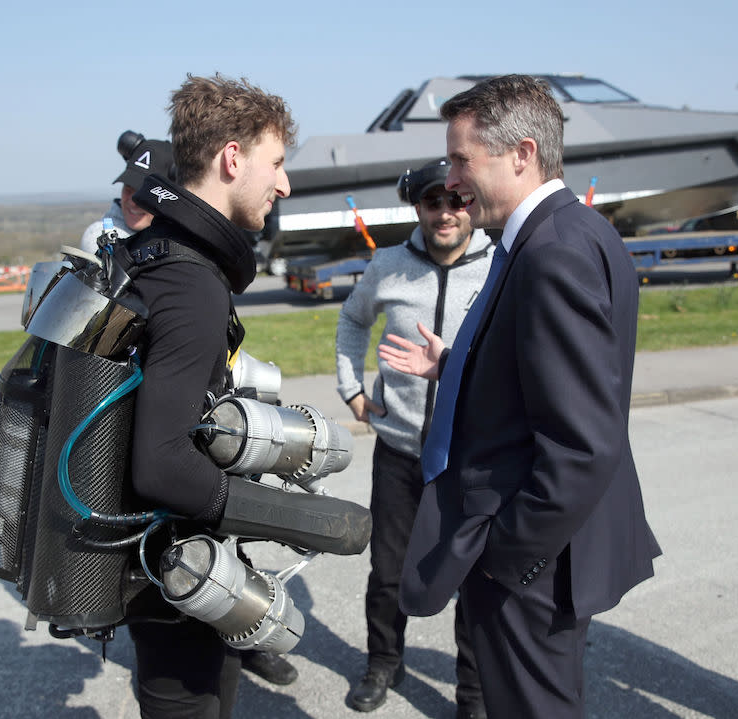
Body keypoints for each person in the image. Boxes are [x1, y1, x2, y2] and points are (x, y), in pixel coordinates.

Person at [377, 74, 662, 719]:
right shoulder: (570, 232)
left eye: (460, 160)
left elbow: (582, 444)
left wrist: (506, 556)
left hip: (535, 562)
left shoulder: (553, 253)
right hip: (544, 551)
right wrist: (456, 366)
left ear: (522, 154)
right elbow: (547, 379)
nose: (449, 181)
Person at [119, 73, 363, 718]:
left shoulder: (150, 253)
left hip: (163, 561)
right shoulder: (190, 284)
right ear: (233, 159)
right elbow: (162, 462)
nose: (284, 184)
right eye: (276, 163)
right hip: (171, 571)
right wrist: (310, 521)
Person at [336, 160, 491, 717]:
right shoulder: (389, 265)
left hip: (469, 457)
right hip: (400, 450)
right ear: (417, 209)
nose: (445, 214)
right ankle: (384, 662)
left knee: (473, 579)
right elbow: (353, 320)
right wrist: (351, 388)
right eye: (432, 203)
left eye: (456, 201)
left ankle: (472, 692)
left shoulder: (499, 267)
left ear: (471, 204)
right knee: (389, 572)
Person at [79, 133, 175, 253]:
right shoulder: (100, 236)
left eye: (143, 194)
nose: (132, 201)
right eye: (128, 189)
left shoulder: (181, 237)